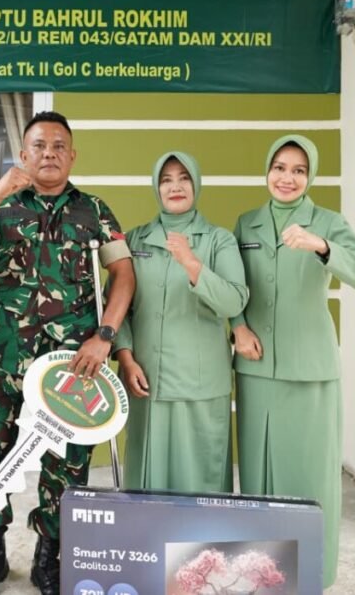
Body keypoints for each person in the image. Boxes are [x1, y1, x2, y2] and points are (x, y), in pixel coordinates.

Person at [0, 111, 135, 595]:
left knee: (68, 457)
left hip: (71, 358)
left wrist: (105, 335)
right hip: (4, 353)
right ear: (23, 154)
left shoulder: (94, 210)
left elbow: (123, 274)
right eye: (39, 145)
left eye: (58, 146)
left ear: (72, 156)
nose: (49, 153)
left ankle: (48, 555)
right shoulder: (2, 206)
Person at [231, 134, 355, 589]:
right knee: (258, 476)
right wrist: (238, 326)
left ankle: (313, 572)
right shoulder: (246, 224)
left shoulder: (328, 222)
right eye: (279, 167)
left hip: (312, 370)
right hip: (257, 369)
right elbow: (234, 286)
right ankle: (260, 572)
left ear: (310, 176)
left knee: (311, 477)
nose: (287, 178)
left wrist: (322, 246)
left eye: (298, 170)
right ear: (267, 171)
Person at [113, 151, 248, 493]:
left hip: (200, 384)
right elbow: (116, 307)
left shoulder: (219, 240)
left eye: (184, 178)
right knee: (148, 484)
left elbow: (234, 301)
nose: (175, 186)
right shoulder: (135, 239)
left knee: (200, 484)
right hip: (146, 378)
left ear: (196, 184)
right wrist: (126, 359)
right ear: (156, 188)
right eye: (166, 180)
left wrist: (191, 263)